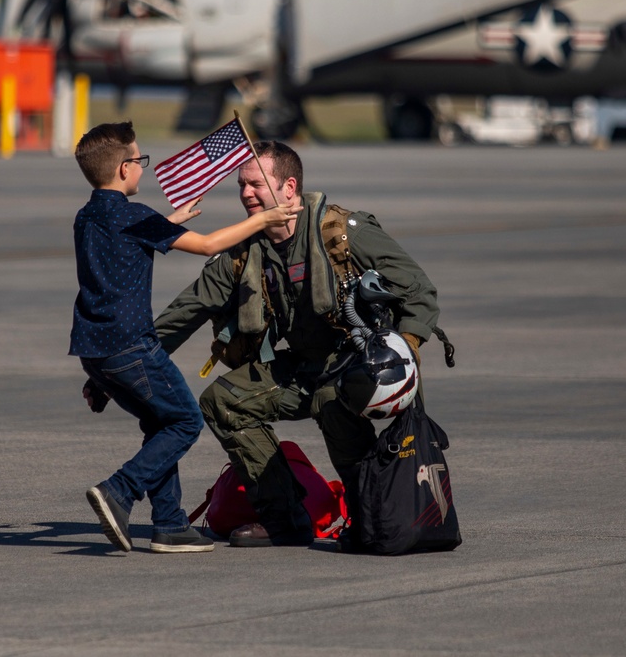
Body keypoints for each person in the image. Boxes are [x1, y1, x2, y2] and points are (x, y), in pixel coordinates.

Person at [153, 141, 440, 549]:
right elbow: (188, 308)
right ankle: (284, 519)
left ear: (289, 188)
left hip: (362, 365)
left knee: (330, 397)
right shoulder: (244, 250)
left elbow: (418, 289)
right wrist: (128, 364)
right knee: (222, 400)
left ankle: (370, 517)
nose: (245, 194)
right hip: (305, 366)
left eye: (255, 184)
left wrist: (405, 348)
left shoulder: (340, 232)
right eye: (241, 186)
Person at [69, 122, 298, 554]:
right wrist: (264, 218)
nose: (142, 168)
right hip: (131, 345)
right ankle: (120, 490)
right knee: (185, 421)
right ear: (123, 169)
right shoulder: (134, 217)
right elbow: (211, 245)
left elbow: (125, 243)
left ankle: (170, 524)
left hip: (94, 350)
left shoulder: (88, 217)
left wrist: (168, 223)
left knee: (160, 422)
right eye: (139, 161)